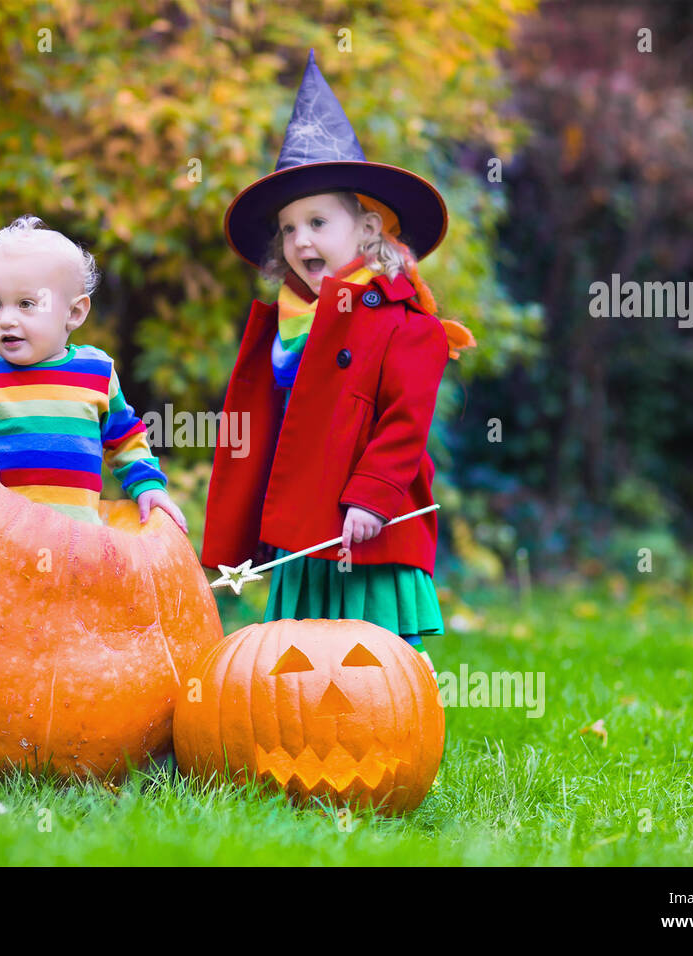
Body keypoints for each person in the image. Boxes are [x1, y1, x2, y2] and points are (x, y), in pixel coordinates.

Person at [201, 50, 476, 678]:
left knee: (373, 661)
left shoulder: (405, 322)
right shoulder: (289, 327)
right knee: (299, 656)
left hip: (365, 524)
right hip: (306, 525)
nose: (300, 241)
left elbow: (404, 422)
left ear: (367, 228)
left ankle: (394, 725)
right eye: (288, 228)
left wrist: (373, 499)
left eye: (318, 221)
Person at [0, 215, 188, 531]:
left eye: (25, 304)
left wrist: (149, 486)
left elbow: (125, 439)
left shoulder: (97, 372)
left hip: (75, 545)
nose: (6, 319)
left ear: (74, 312)